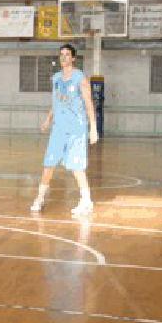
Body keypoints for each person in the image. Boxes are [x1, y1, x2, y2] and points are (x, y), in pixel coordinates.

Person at [30, 44, 99, 216]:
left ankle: (86, 201)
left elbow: (89, 103)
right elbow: (56, 102)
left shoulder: (80, 78)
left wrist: (93, 128)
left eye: (67, 55)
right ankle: (39, 198)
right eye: (61, 54)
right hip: (58, 128)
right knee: (49, 164)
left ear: (73, 58)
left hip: (76, 128)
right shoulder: (56, 78)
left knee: (76, 167)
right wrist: (48, 120)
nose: (63, 57)